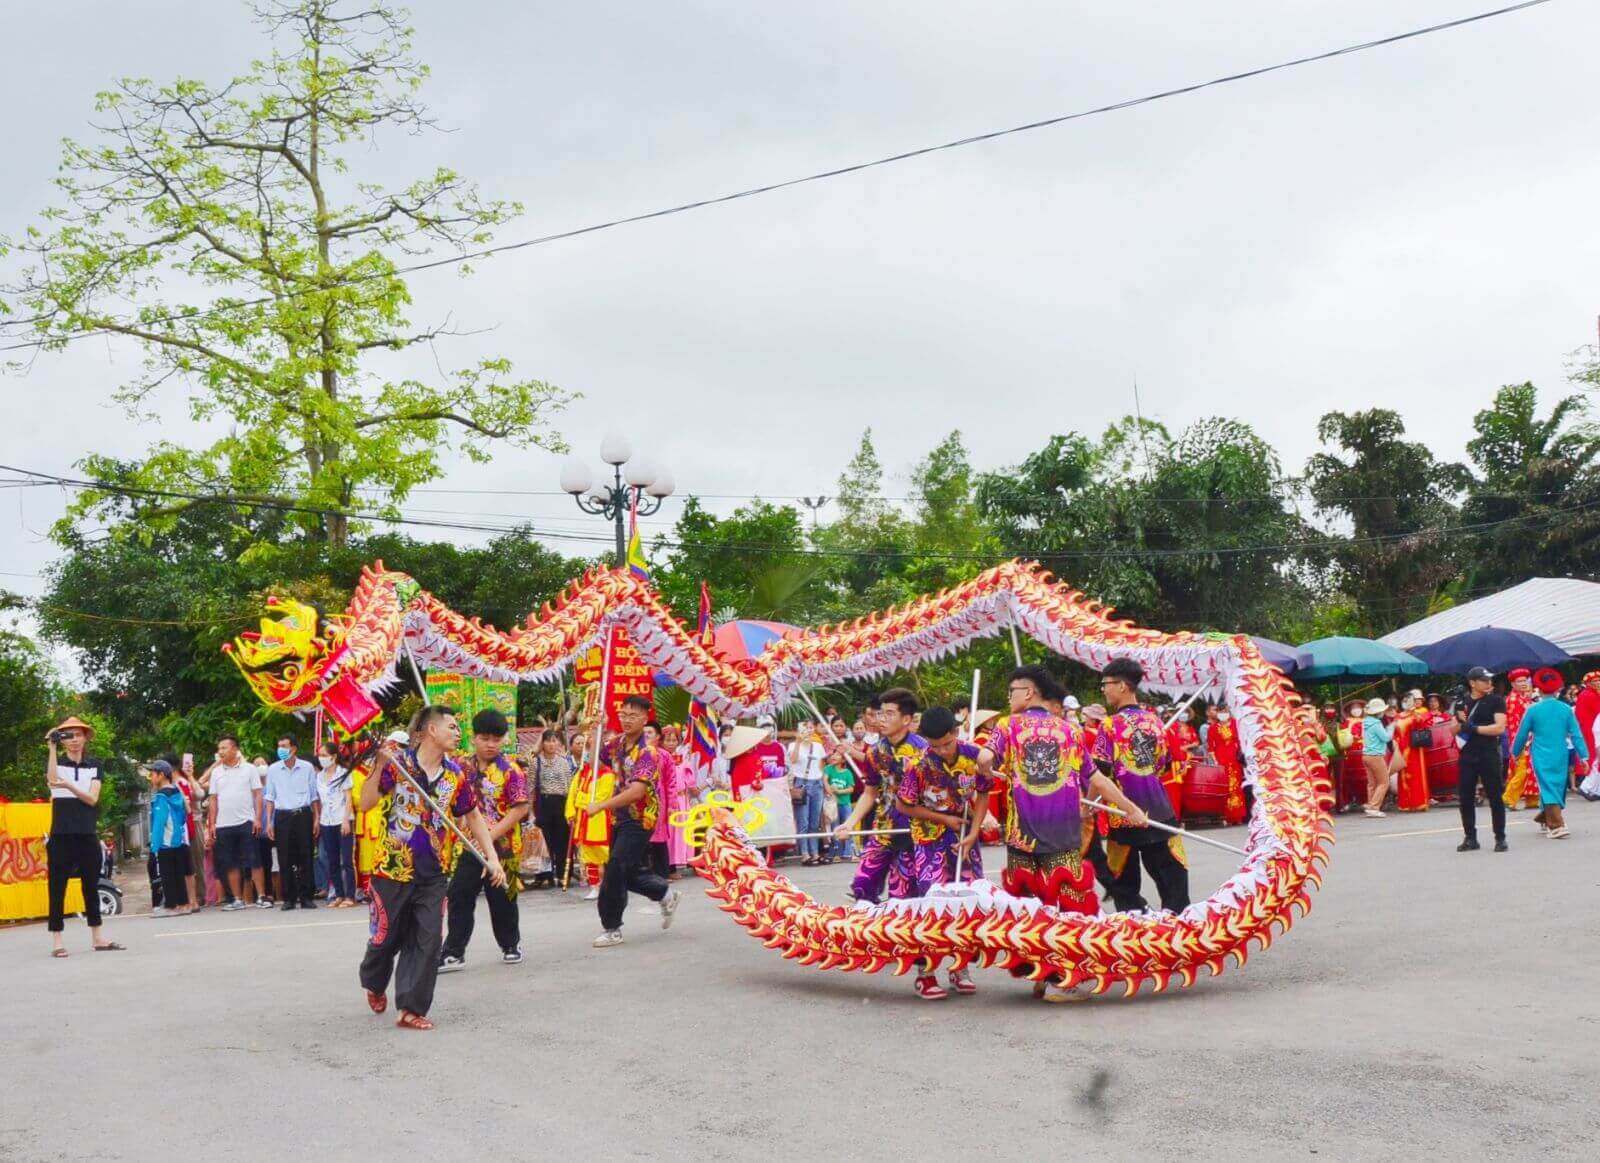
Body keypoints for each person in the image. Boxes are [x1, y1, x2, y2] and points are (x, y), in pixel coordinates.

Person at [988, 666, 1148, 1002]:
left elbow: (985, 758)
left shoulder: (1007, 726)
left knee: (1030, 908)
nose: (1009, 697)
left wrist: (988, 769)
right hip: (1060, 836)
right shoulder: (1069, 731)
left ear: (1028, 692)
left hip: (1021, 838)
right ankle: (1062, 980)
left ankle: (1041, 973)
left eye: (1012, 690)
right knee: (1070, 909)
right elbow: (1098, 780)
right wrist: (1130, 807)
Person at [358, 708, 507, 1031]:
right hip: (392, 869)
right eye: (452, 726)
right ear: (430, 730)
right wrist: (380, 765)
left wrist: (492, 858)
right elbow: (366, 803)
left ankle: (411, 1007)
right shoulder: (398, 765)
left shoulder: (456, 775)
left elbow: (473, 817)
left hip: (434, 873)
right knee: (385, 939)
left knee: (428, 940)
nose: (458, 733)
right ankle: (373, 980)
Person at [895, 705, 992, 999]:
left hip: (965, 838)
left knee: (967, 902)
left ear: (956, 732)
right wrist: (944, 819)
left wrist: (975, 832)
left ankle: (960, 967)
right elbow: (903, 805)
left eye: (947, 743)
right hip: (929, 841)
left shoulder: (974, 756)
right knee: (934, 906)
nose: (943, 750)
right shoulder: (918, 765)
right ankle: (926, 974)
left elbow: (984, 793)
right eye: (935, 746)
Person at [584, 695, 682, 948]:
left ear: (645, 718)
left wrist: (601, 806)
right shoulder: (616, 744)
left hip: (641, 818)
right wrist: (595, 730)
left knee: (615, 867)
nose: (627, 720)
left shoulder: (648, 753)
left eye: (633, 715)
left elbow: (637, 791)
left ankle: (612, 927)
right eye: (624, 714)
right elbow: (596, 757)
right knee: (625, 870)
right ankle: (663, 893)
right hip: (620, 816)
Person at [1094, 658, 1189, 914]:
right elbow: (1162, 764)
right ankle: (1178, 925)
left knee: (1123, 881)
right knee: (1172, 877)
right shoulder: (1156, 722)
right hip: (1159, 809)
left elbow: (1099, 772)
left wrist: (1090, 804)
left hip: (1123, 813)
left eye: (1106, 684)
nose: (1104, 689)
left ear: (1123, 686)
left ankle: (1135, 924)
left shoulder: (1109, 725)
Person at [439, 709, 530, 970]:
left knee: (503, 898)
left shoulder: (510, 770)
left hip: (504, 847)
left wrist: (488, 836)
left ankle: (511, 944)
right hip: (469, 846)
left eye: (496, 739)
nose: (490, 744)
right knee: (459, 895)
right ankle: (454, 952)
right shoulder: (459, 768)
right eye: (485, 738)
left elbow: (520, 808)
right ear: (474, 738)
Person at [834, 689, 925, 904]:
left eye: (889, 714)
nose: (882, 719)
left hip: (914, 832)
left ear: (906, 719)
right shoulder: (875, 752)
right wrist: (849, 823)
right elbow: (870, 791)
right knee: (862, 886)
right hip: (883, 827)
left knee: (901, 896)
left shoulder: (923, 751)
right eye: (880, 713)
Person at [44, 717, 123, 956]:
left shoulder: (95, 766)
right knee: (57, 888)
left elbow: (92, 799)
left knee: (91, 886)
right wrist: (51, 747)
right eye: (68, 735)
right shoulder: (57, 762)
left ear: (85, 738)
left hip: (87, 834)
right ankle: (57, 941)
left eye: (78, 735)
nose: (74, 740)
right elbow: (51, 779)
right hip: (61, 835)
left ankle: (97, 937)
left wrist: (69, 787)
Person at [1511, 670, 1588, 839]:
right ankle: (1556, 824)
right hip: (1560, 753)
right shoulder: (1566, 709)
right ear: (1558, 689)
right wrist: (1584, 756)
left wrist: (1514, 752)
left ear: (1538, 687)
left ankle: (1547, 818)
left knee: (1548, 786)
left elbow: (1522, 734)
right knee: (1556, 786)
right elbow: (1576, 734)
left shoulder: (1533, 710)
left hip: (1540, 753)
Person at [205, 733, 263, 912]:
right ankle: (237, 899)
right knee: (230, 863)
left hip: (246, 821)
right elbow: (213, 799)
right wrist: (212, 824)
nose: (220, 751)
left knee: (254, 860)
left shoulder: (249, 769)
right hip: (223, 824)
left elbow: (258, 794)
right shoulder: (216, 772)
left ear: (235, 749)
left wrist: (258, 818)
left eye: (224, 747)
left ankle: (261, 896)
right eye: (219, 748)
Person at [1455, 667, 1509, 853]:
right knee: (1465, 797)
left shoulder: (1496, 700)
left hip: (1488, 752)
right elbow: (1452, 731)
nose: (1488, 683)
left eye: (1489, 680)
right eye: (1484, 680)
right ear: (1472, 683)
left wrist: (1474, 728)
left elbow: (1499, 728)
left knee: (1495, 796)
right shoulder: (1462, 702)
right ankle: (1470, 837)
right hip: (1467, 755)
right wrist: (1459, 721)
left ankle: (1500, 837)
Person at [263, 736, 320, 910]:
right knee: (285, 857)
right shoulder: (273, 769)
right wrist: (269, 822)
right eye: (279, 745)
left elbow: (314, 796)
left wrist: (316, 818)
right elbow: (270, 797)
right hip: (283, 816)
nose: (280, 749)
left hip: (303, 814)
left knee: (306, 856)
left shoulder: (307, 767)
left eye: (284, 746)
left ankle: (306, 897)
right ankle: (289, 898)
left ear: (293, 748)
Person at [531, 730, 578, 888]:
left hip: (562, 803)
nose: (551, 744)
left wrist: (571, 808)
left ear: (559, 743)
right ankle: (545, 875)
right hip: (544, 803)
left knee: (563, 841)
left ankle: (563, 874)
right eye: (548, 741)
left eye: (554, 741)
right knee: (545, 841)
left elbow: (570, 786)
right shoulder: (536, 762)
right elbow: (530, 788)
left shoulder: (564, 762)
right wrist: (531, 812)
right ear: (542, 743)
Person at [147, 760, 194, 917]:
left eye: (152, 774)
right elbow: (185, 813)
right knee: (178, 874)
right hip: (178, 840)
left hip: (165, 842)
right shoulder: (176, 791)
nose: (151, 778)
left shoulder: (160, 796)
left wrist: (154, 846)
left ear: (161, 775)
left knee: (167, 875)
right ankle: (184, 904)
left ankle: (171, 906)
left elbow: (159, 823)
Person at [315, 742, 358, 908]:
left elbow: (348, 798)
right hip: (327, 820)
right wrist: (318, 819)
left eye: (324, 755)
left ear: (333, 757)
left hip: (342, 819)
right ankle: (339, 894)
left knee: (347, 859)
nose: (321, 758)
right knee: (331, 859)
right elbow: (319, 799)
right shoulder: (319, 776)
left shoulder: (344, 773)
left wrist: (346, 820)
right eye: (320, 755)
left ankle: (350, 895)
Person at [788, 721, 829, 866]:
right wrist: (798, 742)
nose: (808, 731)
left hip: (817, 783)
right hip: (802, 783)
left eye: (811, 728)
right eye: (805, 728)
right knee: (803, 821)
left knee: (814, 821)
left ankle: (815, 853)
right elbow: (792, 760)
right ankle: (805, 854)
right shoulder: (793, 745)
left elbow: (822, 766)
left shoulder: (818, 746)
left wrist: (824, 784)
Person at [1501, 669, 1539, 811]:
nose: (1523, 683)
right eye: (1519, 681)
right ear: (1512, 684)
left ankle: (1532, 799)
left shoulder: (1524, 698)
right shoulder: (1513, 699)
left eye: (1525, 680)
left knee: (1531, 768)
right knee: (1523, 769)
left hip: (1530, 737)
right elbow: (1515, 724)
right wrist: (1524, 740)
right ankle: (1508, 798)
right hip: (1522, 740)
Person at [1392, 691, 1432, 813]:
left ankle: (1419, 802)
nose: (1407, 703)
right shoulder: (1397, 716)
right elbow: (1394, 733)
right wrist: (1394, 744)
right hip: (1401, 749)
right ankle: (1405, 803)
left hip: (1414, 749)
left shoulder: (1417, 715)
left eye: (1409, 700)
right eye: (1405, 700)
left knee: (1416, 775)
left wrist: (1415, 713)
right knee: (1403, 775)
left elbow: (1422, 726)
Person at [1359, 697, 1393, 818]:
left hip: (1366, 755)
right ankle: (1374, 807)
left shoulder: (1365, 722)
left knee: (1372, 783)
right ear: (1378, 712)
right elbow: (1386, 738)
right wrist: (1391, 729)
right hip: (1376, 756)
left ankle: (1370, 805)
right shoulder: (1376, 723)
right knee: (1384, 782)